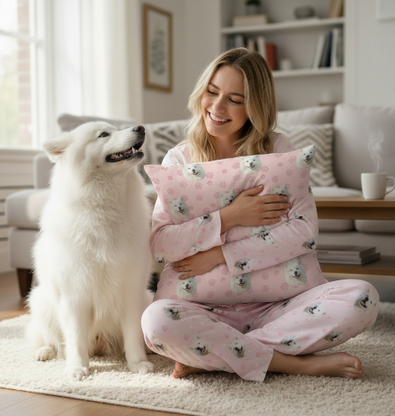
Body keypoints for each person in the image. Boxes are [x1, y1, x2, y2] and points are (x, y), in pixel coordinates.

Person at [141, 48, 379, 382]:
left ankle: (216, 355)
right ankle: (293, 363)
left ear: (255, 106)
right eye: (212, 92)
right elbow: (161, 245)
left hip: (277, 306)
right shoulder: (179, 159)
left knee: (362, 297)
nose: (218, 107)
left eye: (235, 99)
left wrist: (221, 254)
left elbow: (304, 231)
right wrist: (229, 216)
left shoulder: (279, 150)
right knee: (156, 323)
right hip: (199, 307)